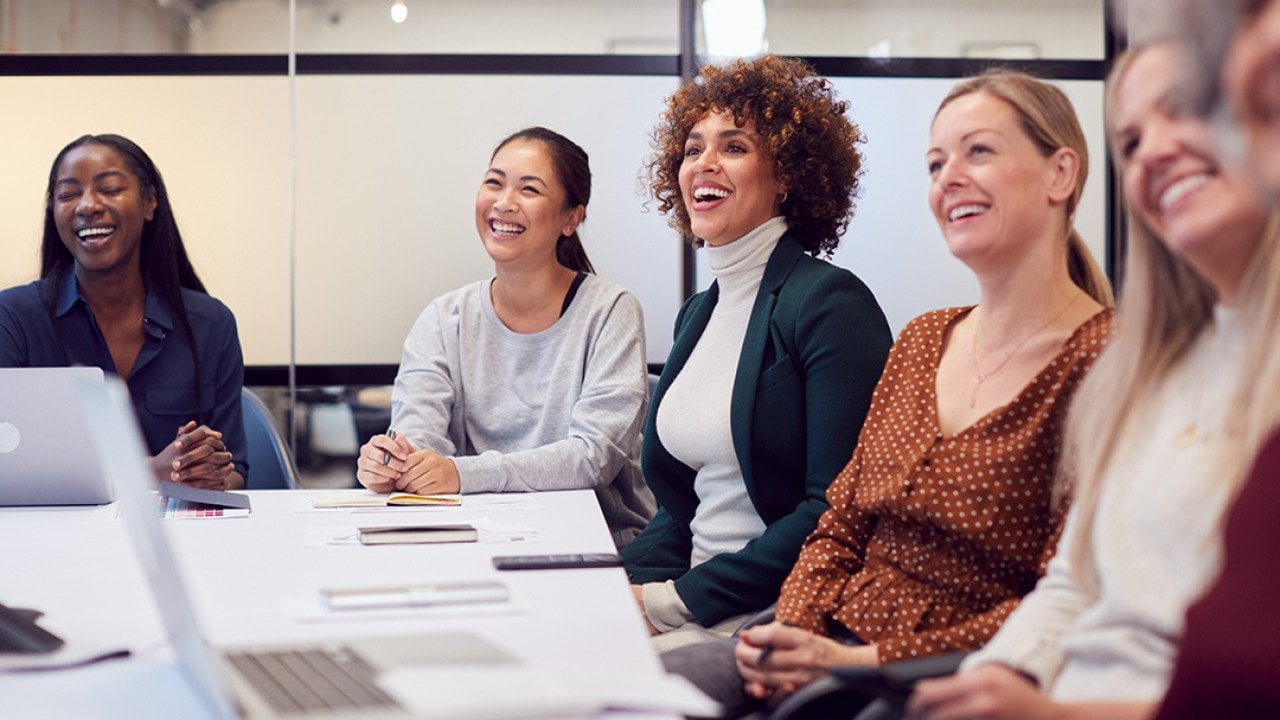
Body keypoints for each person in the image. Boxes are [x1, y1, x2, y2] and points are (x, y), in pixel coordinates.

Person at [665, 70, 1116, 716]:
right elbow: (840, 523)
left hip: (945, 674)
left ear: (1060, 175)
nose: (949, 177)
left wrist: (856, 663)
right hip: (825, 638)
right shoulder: (925, 340)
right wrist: (794, 632)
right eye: (937, 162)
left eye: (978, 151)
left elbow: (1066, 598)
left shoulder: (1107, 362)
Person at [908, 40, 1280, 720]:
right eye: (1131, 140)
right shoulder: (1147, 370)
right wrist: (994, 683)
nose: (1154, 151)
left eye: (1186, 112)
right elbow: (1072, 585)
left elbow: (1243, 678)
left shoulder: (1096, 351)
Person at [620, 54, 894, 653]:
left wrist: (672, 602)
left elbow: (835, 510)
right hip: (691, 601)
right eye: (692, 149)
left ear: (789, 175)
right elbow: (681, 508)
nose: (704, 164)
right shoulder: (699, 312)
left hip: (774, 616)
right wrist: (611, 583)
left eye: (734, 146)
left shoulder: (829, 303)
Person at [355, 126, 654, 548]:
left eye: (529, 190)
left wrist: (460, 474)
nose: (504, 203)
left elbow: (593, 457)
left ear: (572, 218)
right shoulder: (444, 318)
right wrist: (395, 462)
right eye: (494, 182)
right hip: (471, 537)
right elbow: (417, 434)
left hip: (596, 544)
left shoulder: (609, 309)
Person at [0, 133, 247, 490]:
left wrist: (207, 470)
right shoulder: (13, 319)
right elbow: (9, 467)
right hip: (57, 536)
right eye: (68, 194)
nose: (87, 205)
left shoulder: (211, 324)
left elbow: (235, 471)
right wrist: (154, 471)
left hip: (182, 537)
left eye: (110, 188)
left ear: (149, 203)